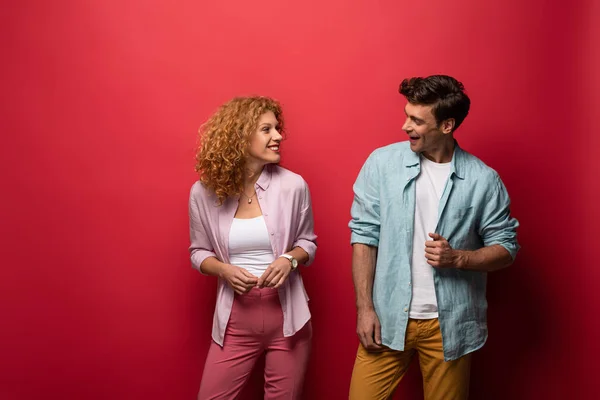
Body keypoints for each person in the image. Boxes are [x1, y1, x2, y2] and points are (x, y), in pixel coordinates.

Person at [348, 75, 520, 400]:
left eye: (416, 120)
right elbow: (364, 237)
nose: (404, 126)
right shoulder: (382, 164)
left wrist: (459, 258)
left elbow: (506, 248)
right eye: (406, 115)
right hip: (387, 318)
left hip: (449, 326)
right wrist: (365, 309)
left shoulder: (483, 180)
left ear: (446, 125)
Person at [188, 96, 317, 399]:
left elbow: (307, 243)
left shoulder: (293, 185)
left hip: (288, 319)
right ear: (240, 135)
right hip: (235, 320)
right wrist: (223, 270)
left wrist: (289, 260)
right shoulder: (203, 192)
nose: (278, 137)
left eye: (277, 128)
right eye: (266, 129)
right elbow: (198, 252)